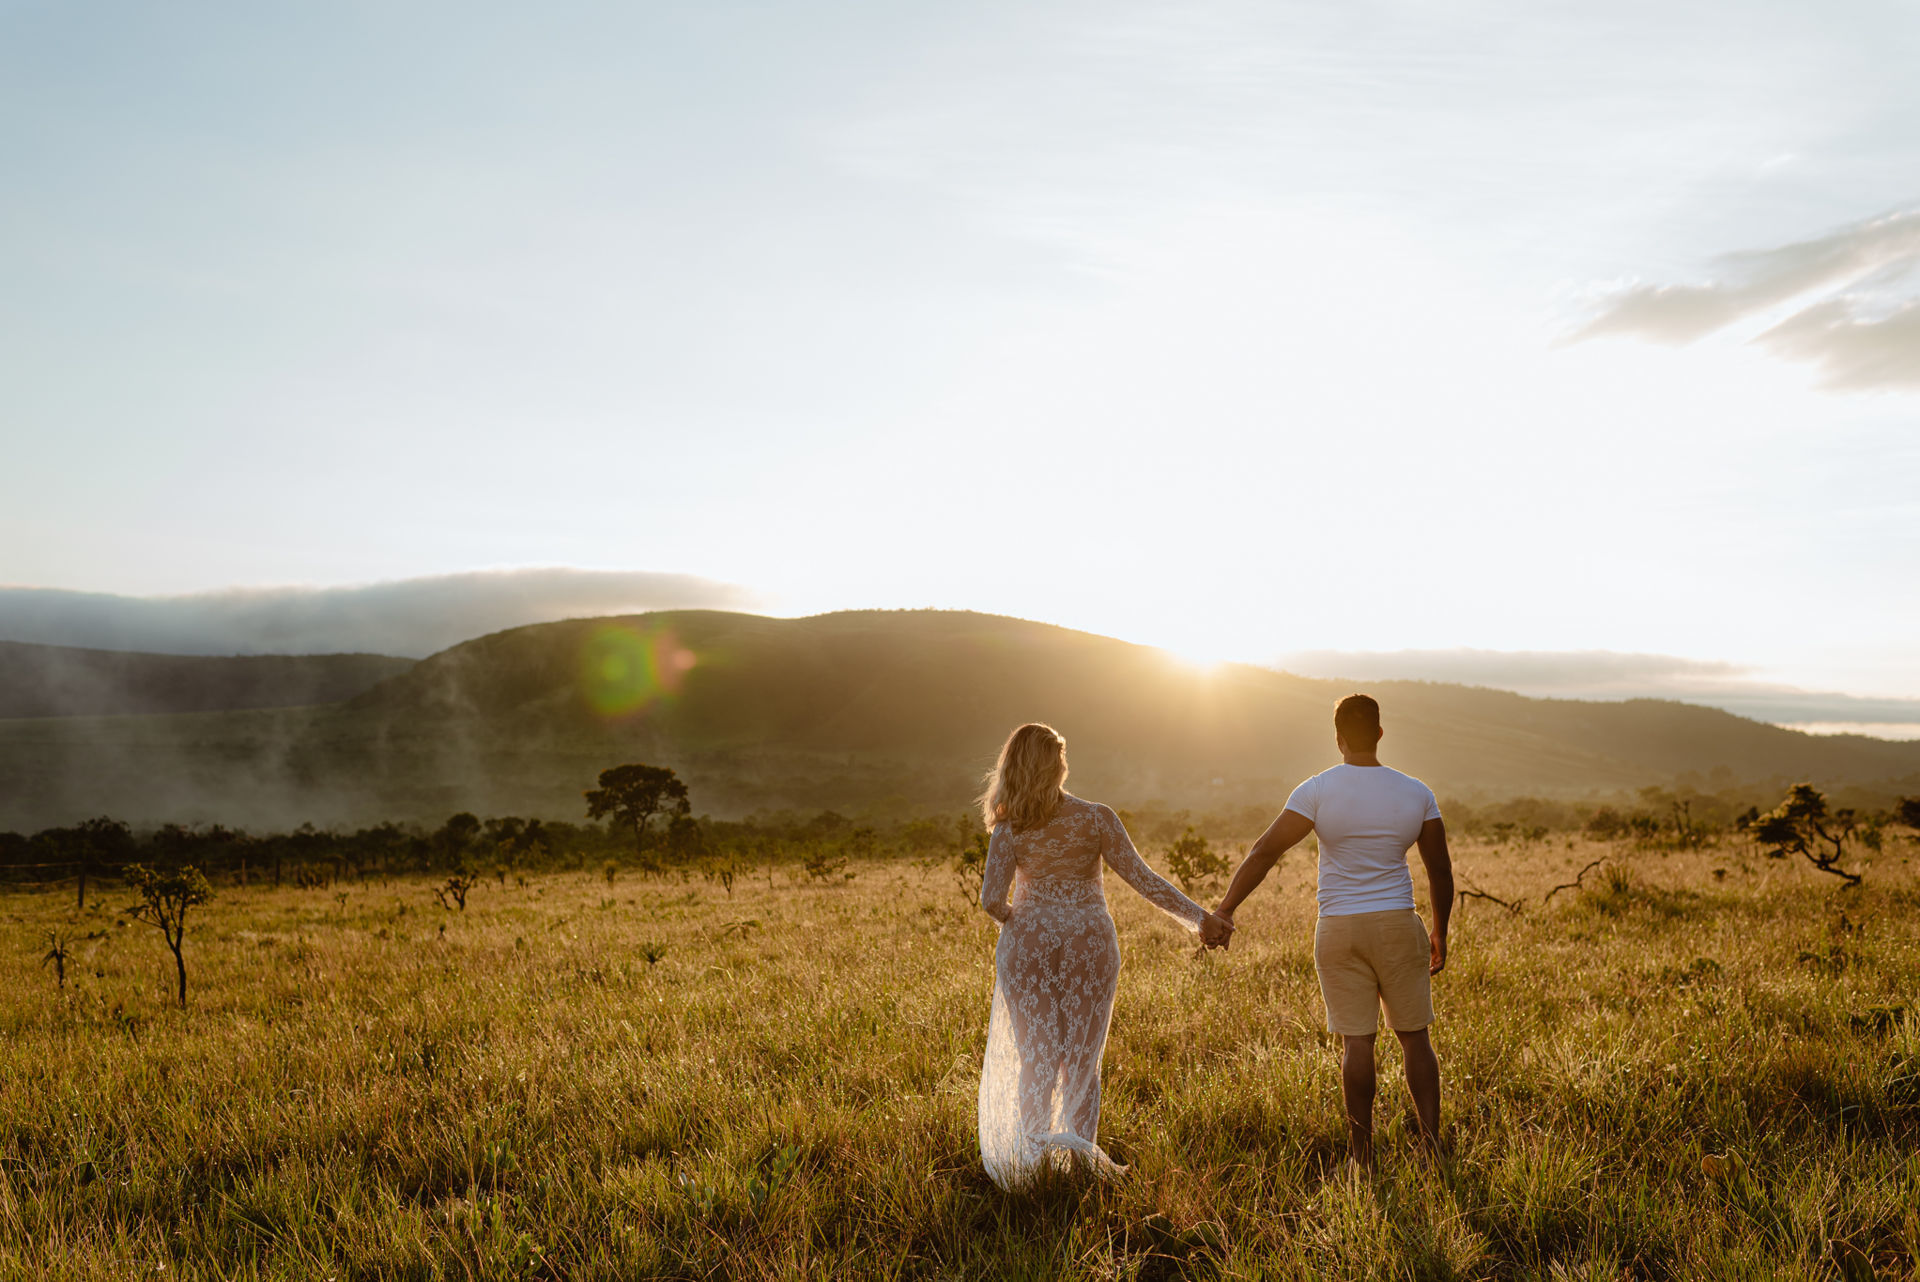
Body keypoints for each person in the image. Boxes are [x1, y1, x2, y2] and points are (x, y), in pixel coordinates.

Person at [975, 722, 1235, 1188]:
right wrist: (1201, 920)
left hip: (1028, 945)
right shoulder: (1096, 818)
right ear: (1058, 765)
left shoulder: (1008, 829)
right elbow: (1144, 879)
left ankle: (1033, 1163)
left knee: (1037, 1056)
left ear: (1012, 768)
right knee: (1081, 1059)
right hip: (1089, 943)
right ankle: (1079, 1167)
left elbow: (992, 900)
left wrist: (1028, 919)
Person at [1207, 694, 1454, 1174]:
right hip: (1399, 924)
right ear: (1380, 734)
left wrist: (1226, 908)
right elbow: (1439, 870)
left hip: (1339, 929)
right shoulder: (1416, 792)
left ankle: (1362, 1158)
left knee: (1356, 1044)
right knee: (1414, 1038)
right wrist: (1440, 932)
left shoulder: (1317, 790)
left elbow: (1264, 852)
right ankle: (1431, 1148)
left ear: (1337, 738)